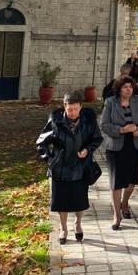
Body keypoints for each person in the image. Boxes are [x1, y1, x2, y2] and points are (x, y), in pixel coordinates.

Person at [36, 90, 103, 245]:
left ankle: (78, 223)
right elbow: (41, 143)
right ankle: (63, 227)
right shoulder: (55, 121)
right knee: (62, 200)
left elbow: (97, 138)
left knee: (79, 199)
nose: (72, 113)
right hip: (61, 168)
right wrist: (51, 159)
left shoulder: (88, 120)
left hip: (81, 166)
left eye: (75, 109)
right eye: (69, 109)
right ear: (64, 107)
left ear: (80, 107)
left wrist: (88, 149)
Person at [99, 76, 138, 230]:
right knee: (116, 182)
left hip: (134, 146)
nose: (128, 89)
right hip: (116, 147)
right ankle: (116, 215)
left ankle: (125, 202)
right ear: (119, 89)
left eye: (130, 87)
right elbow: (104, 125)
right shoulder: (110, 103)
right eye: (125, 87)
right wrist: (121, 130)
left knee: (131, 181)